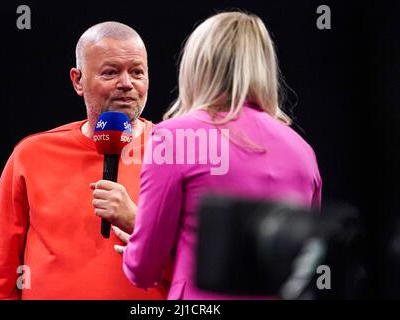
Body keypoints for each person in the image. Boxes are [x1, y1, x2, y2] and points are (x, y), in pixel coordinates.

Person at [121, 12, 322, 299]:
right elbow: (305, 263)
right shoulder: (303, 150)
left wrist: (134, 244)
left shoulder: (175, 136)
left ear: (197, 65)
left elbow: (143, 268)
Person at [0, 21, 168, 299]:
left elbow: (201, 269)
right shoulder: (31, 155)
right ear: (78, 80)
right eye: (111, 72)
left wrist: (142, 226)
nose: (126, 84)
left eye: (137, 72)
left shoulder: (176, 154)